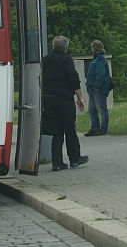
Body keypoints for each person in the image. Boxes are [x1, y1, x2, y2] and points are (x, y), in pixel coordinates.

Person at [42, 36, 89, 171]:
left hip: (48, 99)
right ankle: (75, 158)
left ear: (53, 47)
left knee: (56, 130)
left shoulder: (45, 60)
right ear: (66, 48)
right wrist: (80, 97)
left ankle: (57, 162)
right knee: (69, 128)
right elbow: (73, 78)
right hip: (64, 98)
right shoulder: (66, 60)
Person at [84, 40, 111, 137]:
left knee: (101, 109)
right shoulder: (96, 59)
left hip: (97, 89)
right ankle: (94, 128)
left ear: (94, 48)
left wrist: (96, 85)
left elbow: (101, 74)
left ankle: (103, 128)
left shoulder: (99, 59)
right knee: (92, 109)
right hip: (92, 89)